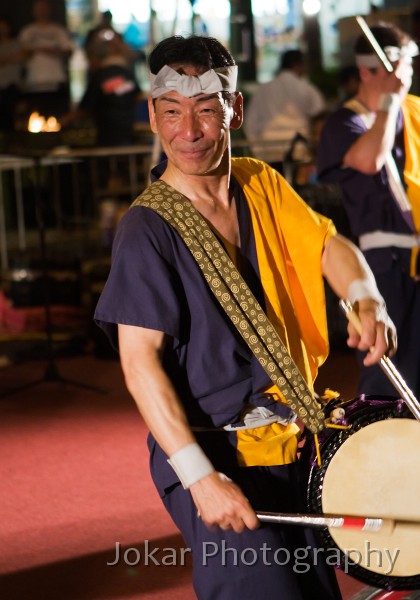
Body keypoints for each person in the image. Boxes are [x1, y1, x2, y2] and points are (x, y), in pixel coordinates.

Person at [94, 34, 396, 600]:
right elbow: (139, 363)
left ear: (233, 109)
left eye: (206, 110)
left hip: (294, 443)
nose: (189, 131)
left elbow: (329, 246)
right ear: (153, 116)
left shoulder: (259, 181)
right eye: (172, 112)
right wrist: (199, 476)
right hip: (214, 453)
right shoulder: (146, 229)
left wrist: (366, 298)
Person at [317, 21, 420, 399]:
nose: (408, 77)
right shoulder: (346, 121)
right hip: (381, 260)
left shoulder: (411, 115)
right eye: (404, 68)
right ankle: (374, 451)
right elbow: (369, 159)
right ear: (368, 70)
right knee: (385, 372)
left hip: (416, 254)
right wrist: (390, 103)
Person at [243, 48, 326, 167]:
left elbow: (250, 123)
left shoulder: (263, 90)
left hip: (268, 150)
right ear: (299, 65)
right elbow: (320, 117)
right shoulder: (307, 89)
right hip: (299, 149)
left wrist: (257, 149)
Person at [18, 0, 75, 119]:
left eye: (44, 8)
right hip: (34, 83)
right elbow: (22, 53)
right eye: (39, 8)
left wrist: (45, 50)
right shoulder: (28, 31)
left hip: (56, 82)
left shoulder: (58, 30)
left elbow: (68, 51)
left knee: (57, 118)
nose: (41, 11)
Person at [0, 15, 24, 132]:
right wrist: (13, 58)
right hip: (1, 85)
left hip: (13, 85)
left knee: (15, 117)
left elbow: (25, 56)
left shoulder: (17, 43)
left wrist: (5, 59)